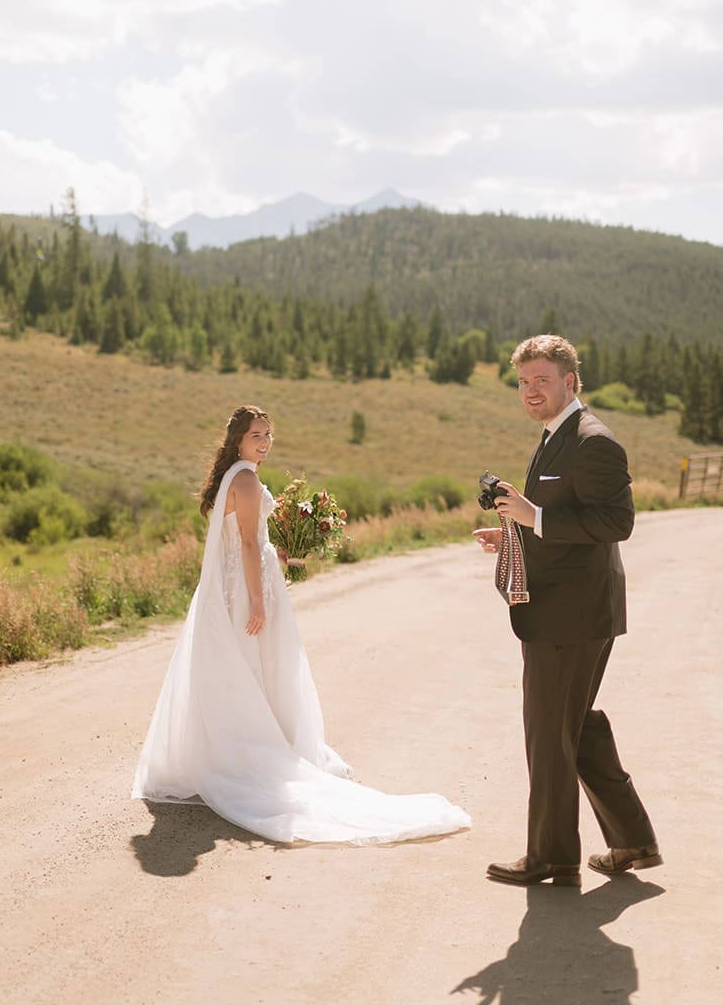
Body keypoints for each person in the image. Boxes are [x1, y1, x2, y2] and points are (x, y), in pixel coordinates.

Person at [132, 405, 471, 845]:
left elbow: (245, 541)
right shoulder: (248, 479)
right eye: (258, 435)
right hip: (246, 590)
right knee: (265, 666)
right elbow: (250, 544)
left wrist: (283, 557)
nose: (266, 442)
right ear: (238, 438)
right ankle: (257, 751)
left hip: (227, 588)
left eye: (269, 435)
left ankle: (230, 747)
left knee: (241, 670)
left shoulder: (231, 476)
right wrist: (258, 600)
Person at [472, 335, 660, 885]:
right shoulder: (554, 436)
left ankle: (551, 858)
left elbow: (615, 524)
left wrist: (537, 520)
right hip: (564, 610)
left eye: (542, 380)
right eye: (524, 382)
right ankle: (633, 841)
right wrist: (514, 532)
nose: (531, 391)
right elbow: (553, 517)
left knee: (549, 731)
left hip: (574, 616)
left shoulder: (593, 441)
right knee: (573, 728)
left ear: (570, 382)